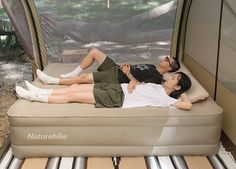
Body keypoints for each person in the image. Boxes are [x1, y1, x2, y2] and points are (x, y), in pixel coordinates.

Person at [15, 72, 192, 110]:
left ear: (177, 87)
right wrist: (134, 82)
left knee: (72, 96)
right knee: (74, 87)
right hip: (117, 87)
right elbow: (139, 83)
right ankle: (40, 90)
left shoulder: (166, 100)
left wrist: (181, 92)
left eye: (174, 79)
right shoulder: (158, 86)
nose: (170, 77)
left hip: (117, 98)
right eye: (173, 75)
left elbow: (188, 105)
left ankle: (33, 97)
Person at [36, 48, 180, 93]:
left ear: (168, 68)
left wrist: (128, 73)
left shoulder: (156, 78)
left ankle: (52, 80)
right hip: (117, 68)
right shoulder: (153, 66)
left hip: (117, 77)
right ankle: (73, 73)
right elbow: (137, 70)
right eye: (166, 57)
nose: (164, 58)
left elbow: (139, 87)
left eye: (167, 60)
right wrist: (127, 67)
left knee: (84, 78)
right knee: (94, 51)